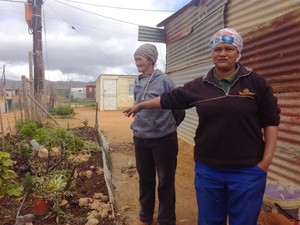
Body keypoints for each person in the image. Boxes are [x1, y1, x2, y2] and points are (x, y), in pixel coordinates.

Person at [124, 29, 280, 225]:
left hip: (247, 170)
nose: (223, 53)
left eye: (229, 48)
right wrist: (141, 105)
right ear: (212, 53)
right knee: (209, 221)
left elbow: (271, 120)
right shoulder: (200, 85)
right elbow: (169, 99)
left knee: (244, 221)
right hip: (209, 170)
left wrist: (266, 161)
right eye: (218, 49)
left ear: (238, 52)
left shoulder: (255, 82)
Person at [130, 43, 184, 225]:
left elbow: (178, 108)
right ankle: (145, 217)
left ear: (151, 60)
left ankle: (166, 220)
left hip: (163, 140)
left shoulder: (164, 81)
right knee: (145, 179)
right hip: (140, 138)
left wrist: (165, 127)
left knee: (165, 181)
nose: (137, 62)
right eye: (135, 59)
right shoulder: (137, 81)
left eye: (140, 59)